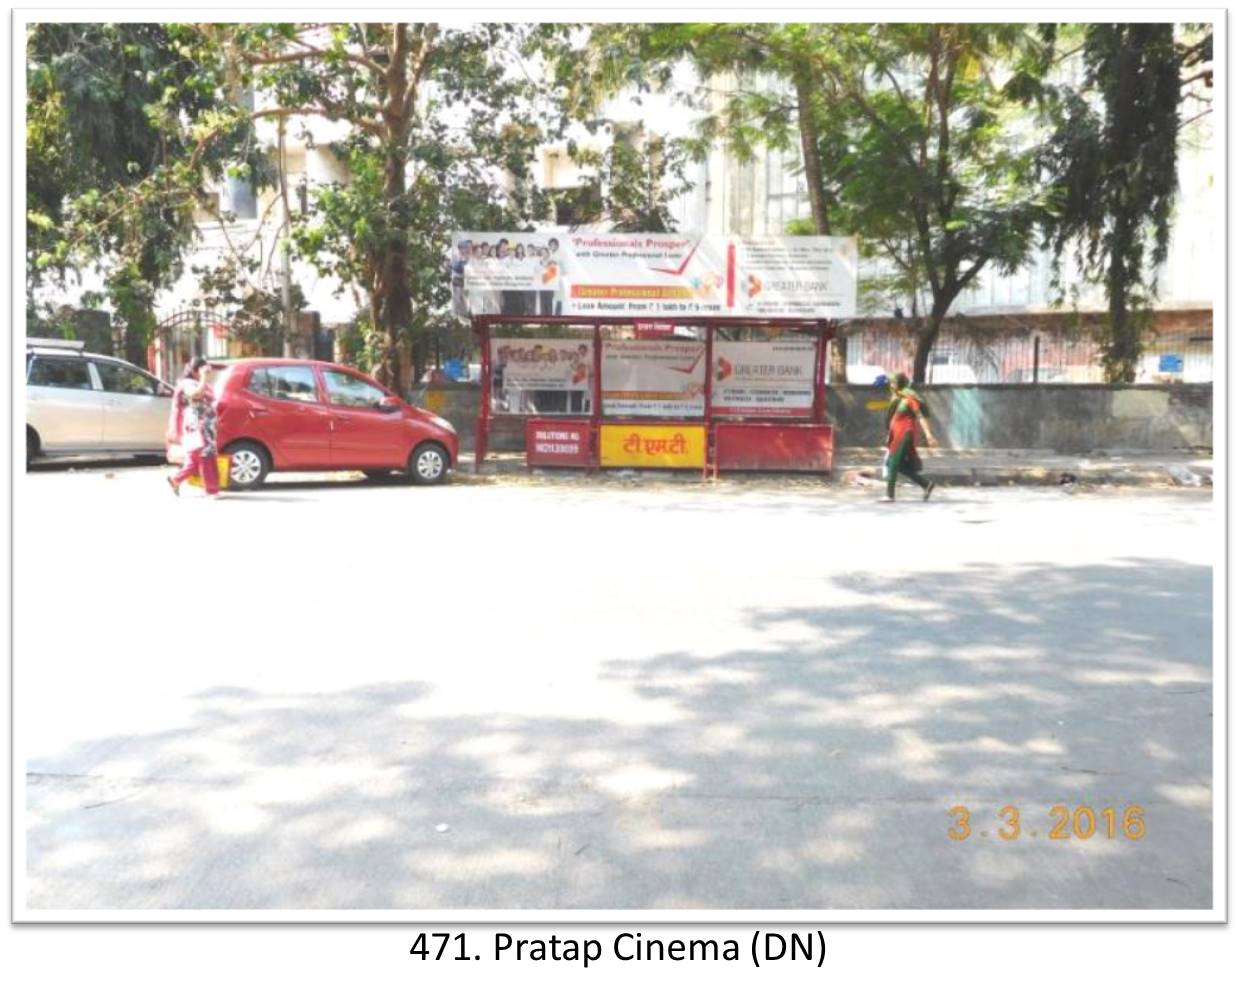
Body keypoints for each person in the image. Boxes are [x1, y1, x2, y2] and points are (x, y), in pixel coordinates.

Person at [166, 357, 221, 498]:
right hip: (197, 426)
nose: (208, 374)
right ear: (196, 371)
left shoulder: (198, 382)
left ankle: (175, 480)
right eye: (204, 371)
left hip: (204, 426)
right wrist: (203, 378)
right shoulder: (187, 383)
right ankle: (212, 489)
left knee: (195, 458)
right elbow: (196, 394)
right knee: (206, 455)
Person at [883, 372, 936, 502]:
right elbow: (894, 419)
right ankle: (926, 484)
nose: (891, 385)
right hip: (897, 435)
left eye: (893, 382)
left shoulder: (909, 399)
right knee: (893, 464)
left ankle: (890, 495)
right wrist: (889, 435)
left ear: (899, 383)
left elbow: (920, 416)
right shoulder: (897, 399)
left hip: (905, 434)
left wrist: (928, 434)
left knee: (893, 462)